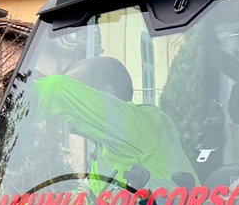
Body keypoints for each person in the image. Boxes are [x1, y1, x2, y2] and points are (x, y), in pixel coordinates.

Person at [29, 54, 191, 191]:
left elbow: (56, 88)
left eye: (78, 88)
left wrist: (28, 86)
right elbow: (93, 200)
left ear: (107, 95)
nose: (70, 102)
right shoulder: (103, 154)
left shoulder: (147, 123)